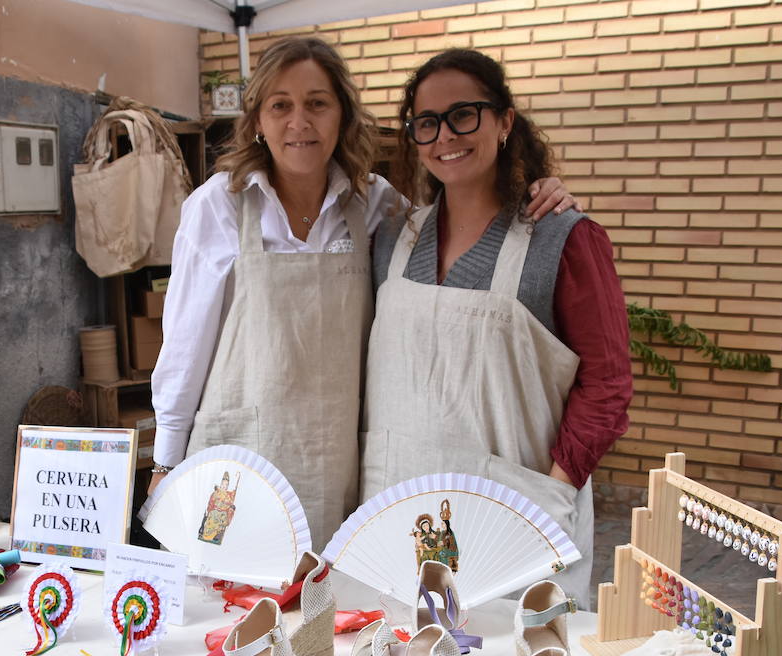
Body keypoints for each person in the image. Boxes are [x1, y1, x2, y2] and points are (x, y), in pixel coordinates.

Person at [150, 38, 574, 547]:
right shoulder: (218, 206)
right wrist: (165, 461)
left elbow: (455, 216)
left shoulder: (378, 207)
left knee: (325, 610)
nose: (299, 122)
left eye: (317, 103)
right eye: (280, 105)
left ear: (342, 117)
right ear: (257, 120)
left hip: (335, 464)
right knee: (230, 606)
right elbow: (183, 348)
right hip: (237, 456)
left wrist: (536, 188)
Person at [362, 49, 632, 608]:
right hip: (398, 513)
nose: (445, 136)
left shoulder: (561, 238)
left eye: (465, 114)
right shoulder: (393, 240)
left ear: (505, 121)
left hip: (514, 520)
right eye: (427, 123)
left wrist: (556, 488)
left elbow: (607, 384)